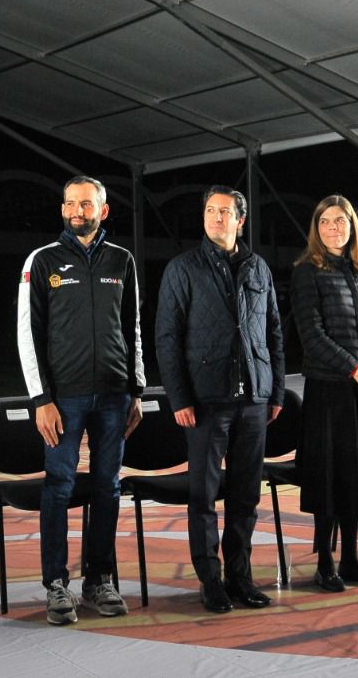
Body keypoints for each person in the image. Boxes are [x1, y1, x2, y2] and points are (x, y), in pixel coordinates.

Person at [17, 174, 145, 625]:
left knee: (108, 487)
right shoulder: (42, 260)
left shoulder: (122, 260)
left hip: (114, 396)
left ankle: (99, 581)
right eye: (70, 203)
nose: (77, 212)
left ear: (103, 210)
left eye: (86, 204)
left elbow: (132, 329)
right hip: (62, 401)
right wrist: (41, 399)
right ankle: (57, 584)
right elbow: (27, 334)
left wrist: (136, 389)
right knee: (60, 488)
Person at [155, 185, 285, 613]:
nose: (215, 217)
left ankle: (240, 577)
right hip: (206, 400)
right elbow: (167, 338)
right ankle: (210, 580)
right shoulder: (182, 268)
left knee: (246, 495)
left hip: (254, 398)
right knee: (204, 495)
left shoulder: (258, 267)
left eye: (224, 211)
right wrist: (178, 398)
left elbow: (274, 333)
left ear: (240, 220)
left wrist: (276, 389)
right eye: (210, 210)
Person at [289, 194, 358, 591]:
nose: (334, 228)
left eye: (341, 221)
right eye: (326, 222)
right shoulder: (307, 272)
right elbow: (311, 335)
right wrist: (356, 370)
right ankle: (326, 564)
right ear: (317, 229)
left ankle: (352, 559)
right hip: (330, 392)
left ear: (353, 226)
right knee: (330, 479)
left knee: (357, 478)